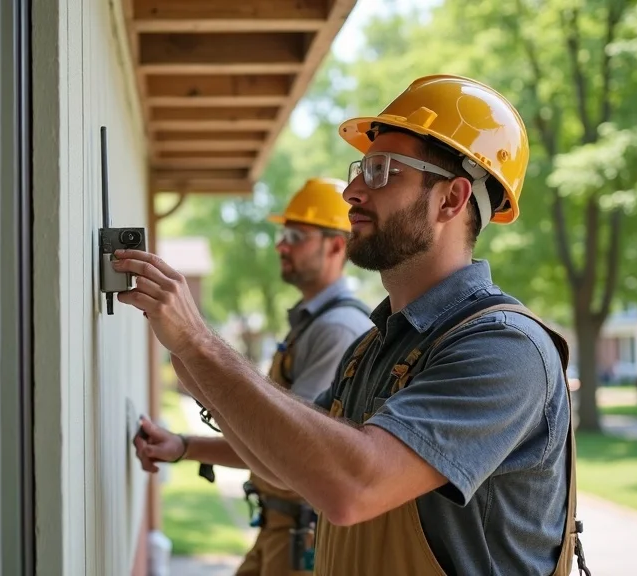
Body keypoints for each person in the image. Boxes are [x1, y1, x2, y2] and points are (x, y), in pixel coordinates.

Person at [119, 74, 588, 576]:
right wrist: (187, 363)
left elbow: (353, 486)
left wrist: (200, 344)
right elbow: (289, 456)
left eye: (382, 170)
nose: (351, 191)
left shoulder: (505, 350)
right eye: (360, 169)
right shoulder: (372, 347)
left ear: (450, 200)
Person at [135, 178, 375, 576]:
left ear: (336, 245)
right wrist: (184, 445)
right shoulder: (312, 324)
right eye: (284, 233)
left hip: (302, 539)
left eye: (297, 235)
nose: (282, 244)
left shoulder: (337, 330)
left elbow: (291, 452)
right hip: (279, 530)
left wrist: (199, 353)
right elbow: (267, 438)